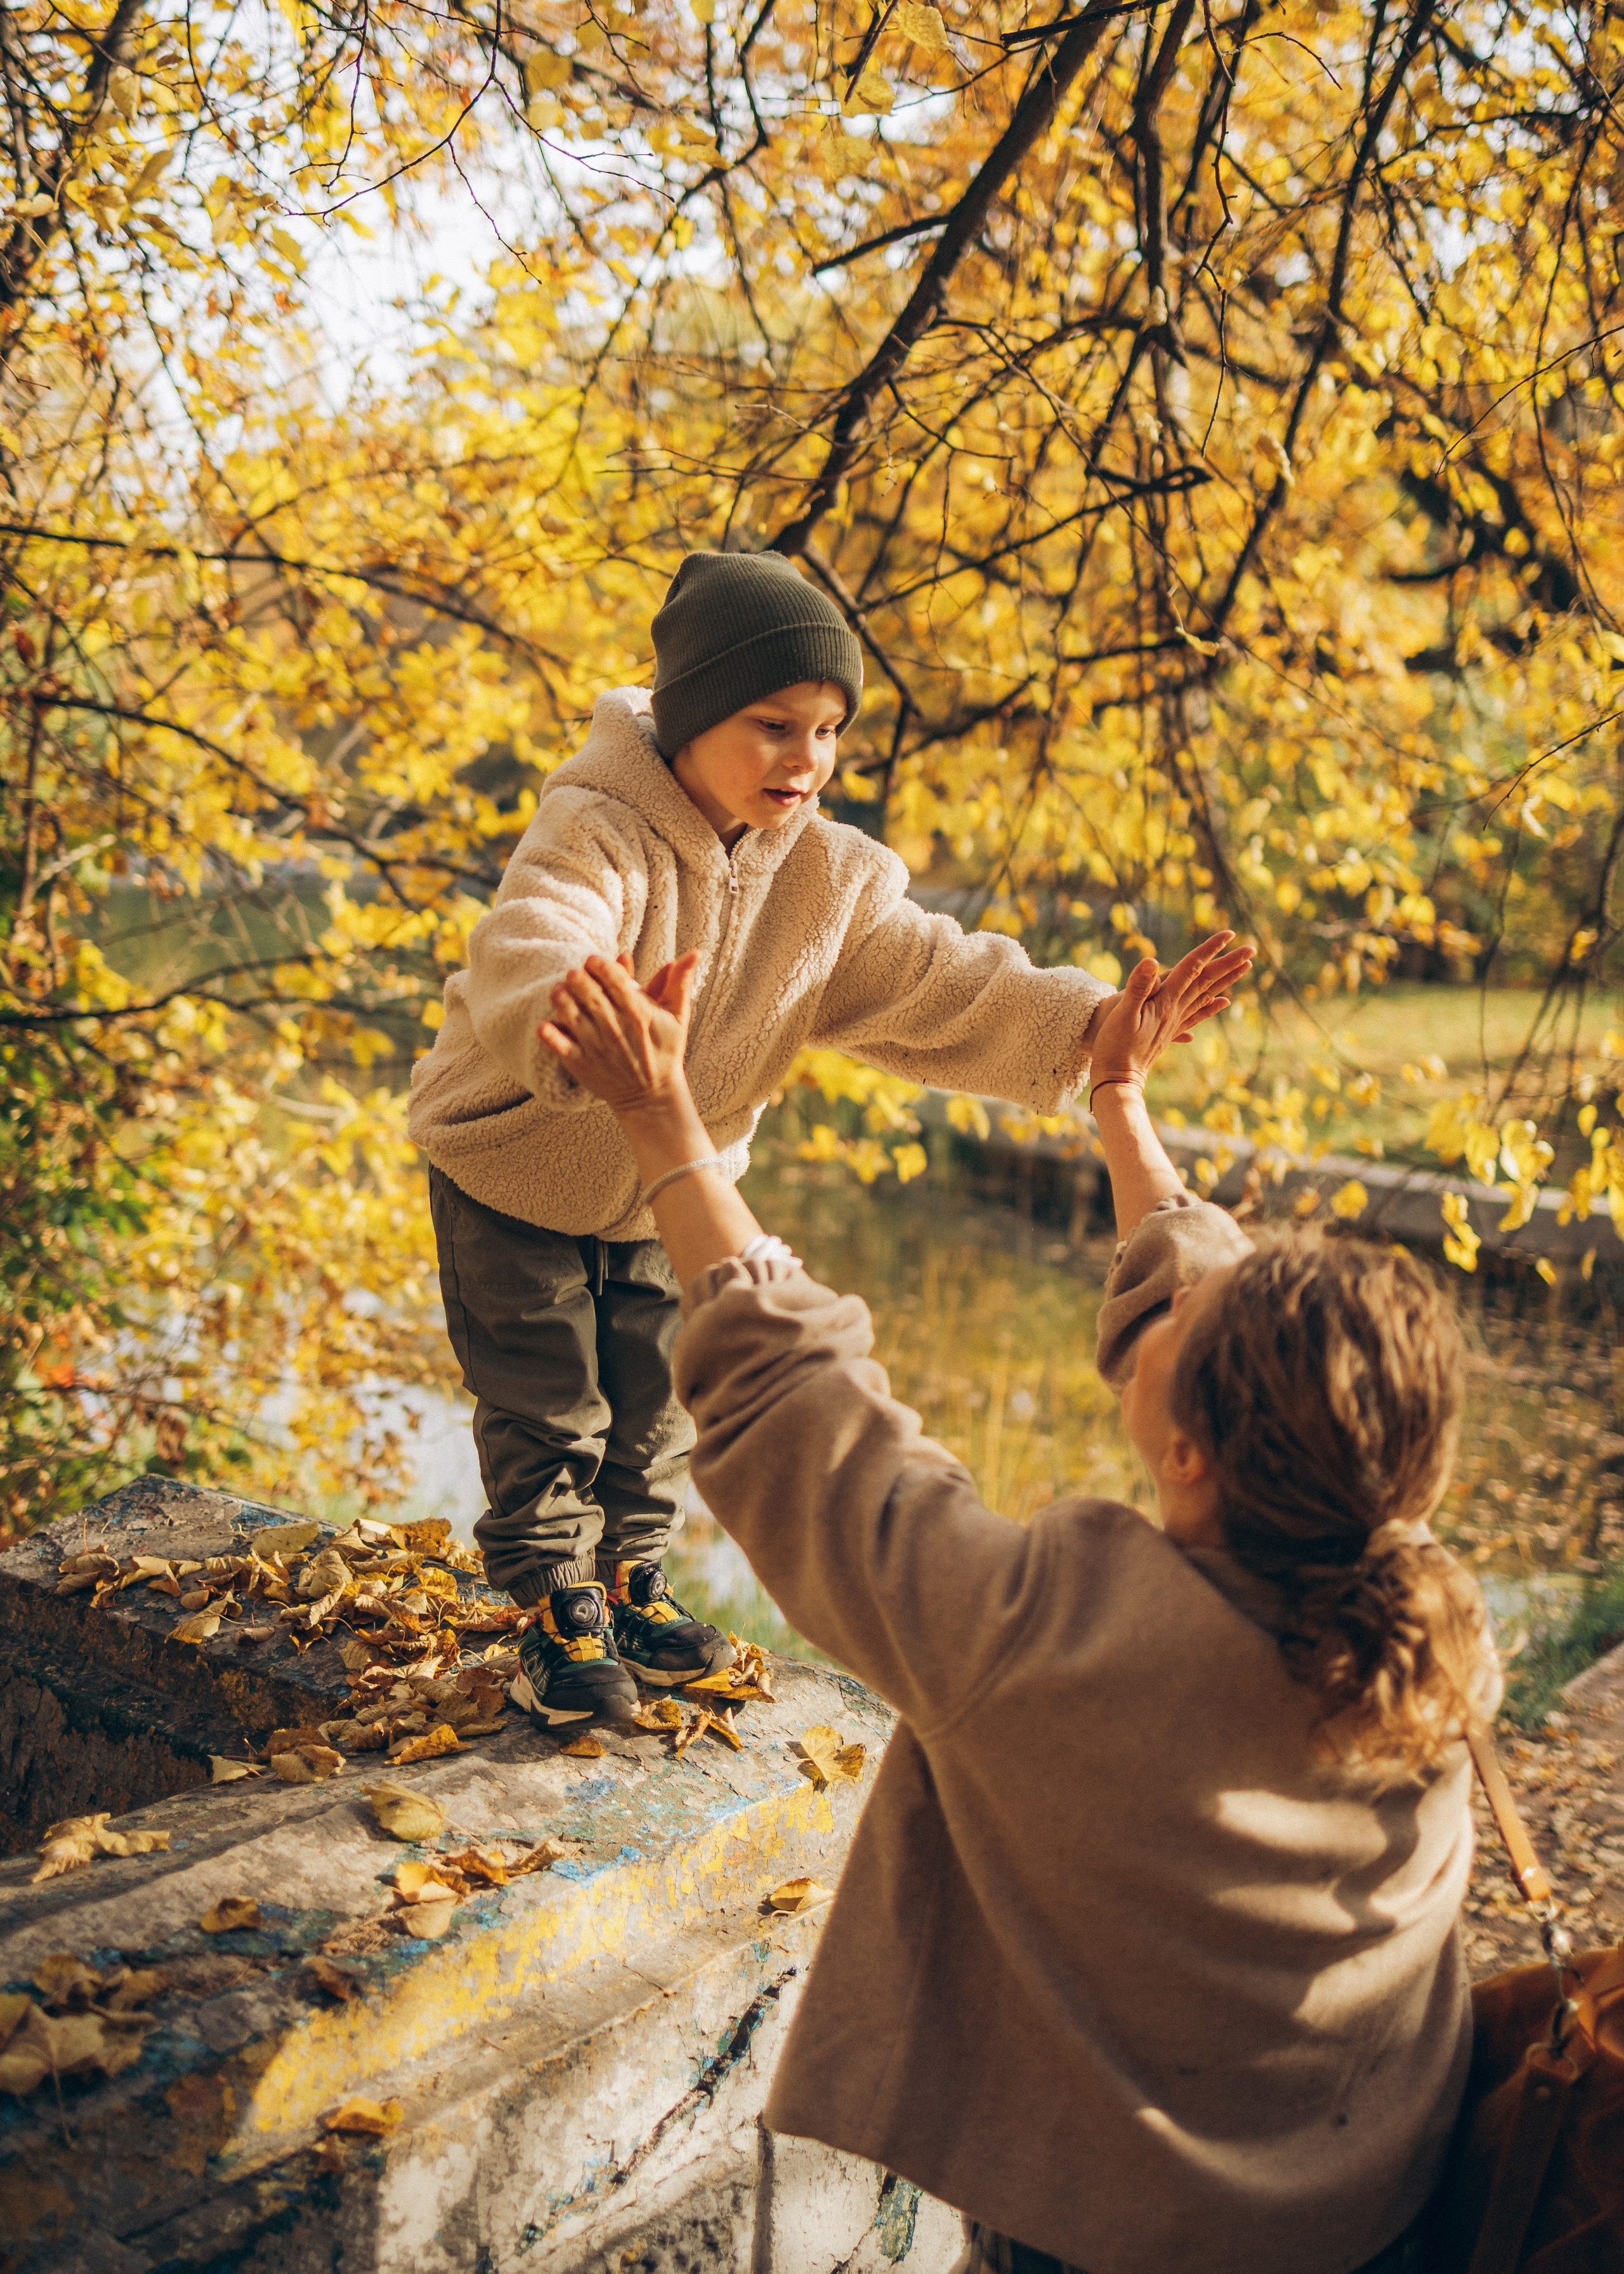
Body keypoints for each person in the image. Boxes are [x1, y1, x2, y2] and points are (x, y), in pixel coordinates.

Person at [536, 934, 1500, 2274]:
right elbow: (1224, 1301)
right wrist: (1118, 1102)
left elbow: (799, 1405)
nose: (1169, 1281)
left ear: (1186, 1452)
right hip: (1370, 2206)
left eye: (1184, 1312)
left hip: (1122, 2237)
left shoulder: (1048, 1638)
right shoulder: (1408, 1577)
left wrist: (663, 1124)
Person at [410, 547, 1232, 1726]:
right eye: (774, 725)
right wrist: (577, 1009)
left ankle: (634, 1580)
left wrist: (1095, 1025)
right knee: (548, 1403)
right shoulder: (596, 828)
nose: (807, 759)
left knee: (656, 1401)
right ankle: (553, 1604)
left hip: (662, 1195)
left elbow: (944, 982)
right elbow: (537, 928)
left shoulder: (827, 883)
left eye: (830, 730)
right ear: (691, 720)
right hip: (512, 1167)